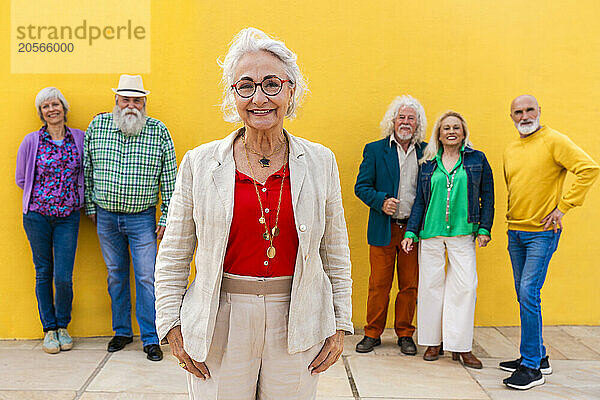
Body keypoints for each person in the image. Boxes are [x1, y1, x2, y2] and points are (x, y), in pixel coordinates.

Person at [154, 27, 353, 400]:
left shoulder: (320, 161)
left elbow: (336, 252)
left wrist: (340, 321)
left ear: (291, 90)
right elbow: (175, 254)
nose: (259, 97)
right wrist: (170, 324)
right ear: (233, 96)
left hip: (298, 314)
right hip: (221, 315)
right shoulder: (199, 163)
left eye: (271, 84)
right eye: (246, 86)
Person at [499, 95, 599, 390]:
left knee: (529, 292)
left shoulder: (554, 140)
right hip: (514, 231)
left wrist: (564, 206)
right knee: (523, 293)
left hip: (541, 233)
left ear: (540, 111)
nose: (525, 115)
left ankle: (531, 368)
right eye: (518, 111)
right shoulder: (511, 148)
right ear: (512, 116)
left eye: (530, 110)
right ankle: (538, 355)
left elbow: (589, 168)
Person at [84, 74, 177, 361]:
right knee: (116, 276)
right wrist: (90, 207)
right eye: (126, 99)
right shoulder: (97, 127)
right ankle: (122, 332)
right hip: (106, 217)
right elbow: (86, 170)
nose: (131, 105)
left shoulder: (158, 131)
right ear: (116, 101)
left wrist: (165, 219)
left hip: (142, 219)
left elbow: (170, 180)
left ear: (144, 103)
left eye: (137, 100)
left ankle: (151, 338)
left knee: (148, 278)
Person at [401, 111, 494, 369]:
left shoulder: (477, 160)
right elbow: (420, 200)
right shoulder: (429, 163)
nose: (451, 131)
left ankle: (461, 346)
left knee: (465, 288)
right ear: (439, 134)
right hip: (430, 234)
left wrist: (484, 228)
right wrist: (411, 231)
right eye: (446, 128)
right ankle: (433, 342)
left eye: (456, 127)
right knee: (431, 288)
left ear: (464, 133)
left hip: (463, 233)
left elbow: (488, 194)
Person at [354, 95, 426, 355]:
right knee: (378, 285)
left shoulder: (426, 152)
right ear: (393, 121)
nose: (405, 122)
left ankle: (405, 334)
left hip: (412, 231)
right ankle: (372, 333)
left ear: (418, 124)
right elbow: (361, 187)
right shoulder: (375, 149)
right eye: (401, 117)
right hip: (383, 228)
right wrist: (381, 201)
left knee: (409, 285)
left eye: (411, 118)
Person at [16, 87, 84, 354]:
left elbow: (86, 168)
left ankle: (63, 326)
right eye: (46, 106)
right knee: (43, 273)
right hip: (37, 217)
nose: (51, 109)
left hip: (68, 217)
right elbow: (22, 179)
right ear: (41, 113)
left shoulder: (78, 138)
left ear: (63, 108)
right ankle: (49, 329)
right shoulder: (31, 141)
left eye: (55, 104)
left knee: (63, 276)